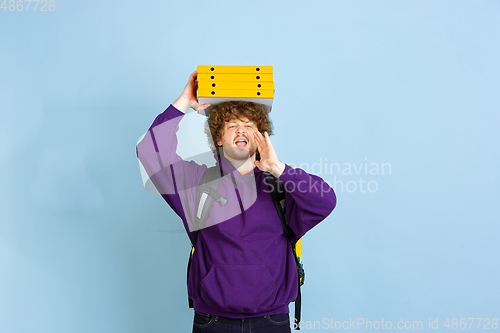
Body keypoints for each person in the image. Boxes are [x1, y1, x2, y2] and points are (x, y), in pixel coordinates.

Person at [136, 70, 337, 332]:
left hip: (272, 320)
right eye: (232, 125)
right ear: (218, 138)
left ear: (261, 137)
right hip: (212, 320)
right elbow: (150, 153)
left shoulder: (282, 184)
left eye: (249, 126)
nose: (240, 130)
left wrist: (277, 168)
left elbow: (325, 201)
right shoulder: (197, 181)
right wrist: (184, 101)